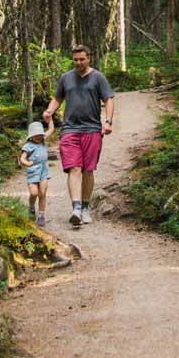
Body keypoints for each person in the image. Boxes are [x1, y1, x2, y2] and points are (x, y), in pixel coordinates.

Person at [43, 45, 114, 228]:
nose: (79, 63)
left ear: (88, 58)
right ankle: (75, 208)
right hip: (70, 129)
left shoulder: (98, 77)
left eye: (82, 59)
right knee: (74, 168)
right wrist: (50, 110)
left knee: (88, 170)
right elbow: (58, 98)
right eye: (75, 60)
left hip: (92, 129)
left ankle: (84, 207)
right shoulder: (66, 78)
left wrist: (108, 122)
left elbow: (108, 99)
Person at [18, 120, 50, 226]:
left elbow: (51, 130)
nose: (38, 137)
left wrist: (50, 119)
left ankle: (41, 215)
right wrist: (27, 163)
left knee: (42, 193)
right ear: (31, 136)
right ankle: (31, 207)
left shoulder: (43, 142)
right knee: (34, 193)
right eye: (35, 135)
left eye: (40, 135)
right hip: (33, 172)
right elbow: (22, 158)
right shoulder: (28, 146)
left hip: (44, 173)